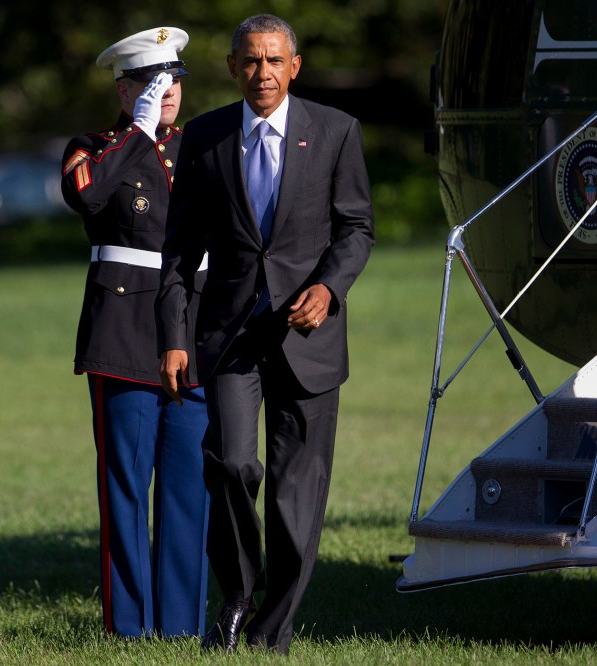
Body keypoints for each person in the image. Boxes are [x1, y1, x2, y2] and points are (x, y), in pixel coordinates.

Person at [156, 13, 375, 654]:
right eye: (251, 61)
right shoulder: (203, 138)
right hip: (229, 336)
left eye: (274, 60)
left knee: (293, 499)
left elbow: (356, 228)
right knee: (230, 462)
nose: (263, 73)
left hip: (310, 339)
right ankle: (239, 591)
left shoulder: (336, 133)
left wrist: (329, 287)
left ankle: (268, 635)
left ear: (294, 66)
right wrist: (172, 335)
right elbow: (177, 253)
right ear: (233, 67)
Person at [60, 26, 210, 639]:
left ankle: (179, 628)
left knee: (187, 487)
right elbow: (87, 196)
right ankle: (128, 626)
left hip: (195, 328)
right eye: (151, 81)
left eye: (172, 78)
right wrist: (138, 133)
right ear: (125, 91)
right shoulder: (93, 146)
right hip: (123, 329)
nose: (166, 90)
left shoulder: (201, 145)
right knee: (125, 483)